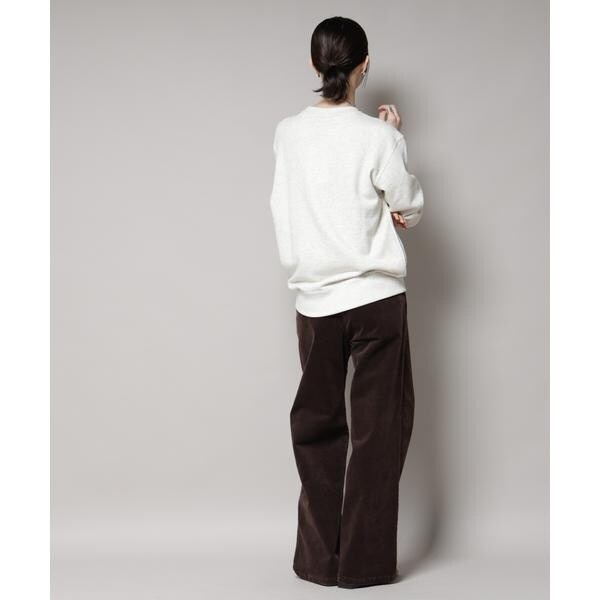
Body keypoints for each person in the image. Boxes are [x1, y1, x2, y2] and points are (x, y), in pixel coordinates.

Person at [269, 16, 424, 589]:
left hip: (315, 301)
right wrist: (394, 139)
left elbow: (291, 203)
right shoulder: (379, 137)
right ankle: (365, 565)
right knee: (378, 433)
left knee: (317, 427)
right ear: (365, 66)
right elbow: (408, 206)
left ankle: (319, 562)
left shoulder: (288, 132)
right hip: (376, 299)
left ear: (314, 65)